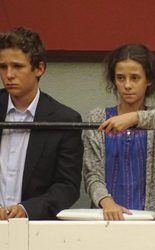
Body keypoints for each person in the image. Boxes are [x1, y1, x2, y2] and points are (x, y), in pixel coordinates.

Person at [83, 43, 155, 220]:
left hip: (151, 220)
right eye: (121, 78)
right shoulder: (98, 118)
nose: (127, 85)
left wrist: (136, 118)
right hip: (107, 218)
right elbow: (91, 173)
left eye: (135, 78)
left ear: (148, 80)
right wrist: (107, 202)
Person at [0, 27, 83, 220]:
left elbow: (67, 186)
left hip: (35, 229)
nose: (8, 75)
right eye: (3, 67)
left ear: (39, 68)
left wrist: (28, 209)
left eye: (17, 66)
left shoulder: (65, 119)